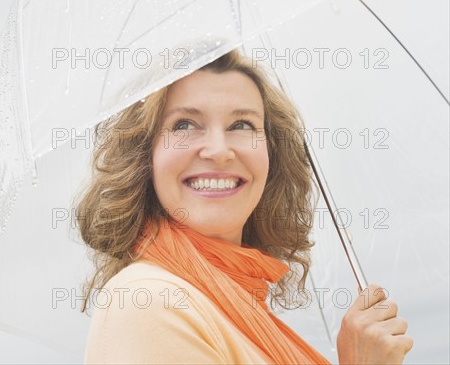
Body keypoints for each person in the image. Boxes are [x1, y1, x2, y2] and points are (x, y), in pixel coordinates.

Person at [75, 49, 413, 364]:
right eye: (184, 125)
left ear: (272, 156)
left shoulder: (236, 309)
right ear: (144, 157)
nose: (219, 151)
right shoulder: (149, 301)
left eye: (241, 125)